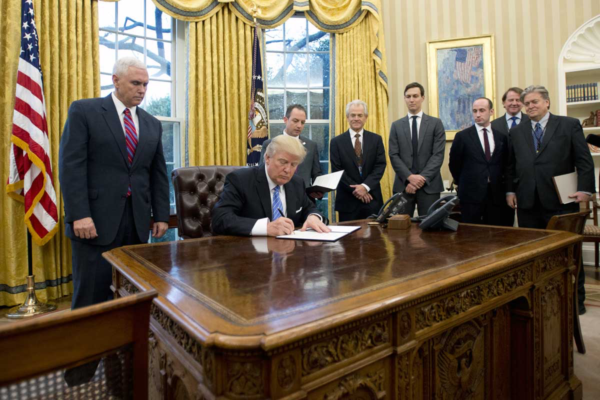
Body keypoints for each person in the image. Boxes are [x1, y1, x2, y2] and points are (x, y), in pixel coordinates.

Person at [59, 57, 170, 310]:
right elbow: (71, 167)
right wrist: (79, 215)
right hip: (94, 222)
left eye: (145, 84)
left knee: (133, 293)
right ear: (116, 81)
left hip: (137, 222)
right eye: (135, 83)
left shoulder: (152, 124)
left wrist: (161, 215)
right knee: (92, 295)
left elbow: (158, 173)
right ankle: (89, 348)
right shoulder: (84, 111)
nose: (142, 89)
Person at [506, 85, 594, 228]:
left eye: (535, 102)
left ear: (547, 102)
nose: (530, 106)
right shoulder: (516, 131)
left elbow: (584, 160)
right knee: (532, 246)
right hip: (527, 202)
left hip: (561, 199)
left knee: (561, 246)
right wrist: (510, 191)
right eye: (527, 104)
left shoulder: (569, 125)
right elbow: (511, 165)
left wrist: (585, 189)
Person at [212, 135, 330, 236]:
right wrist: (266, 228)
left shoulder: (296, 182)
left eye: (294, 164)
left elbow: (309, 208)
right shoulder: (241, 180)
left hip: (290, 254)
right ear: (267, 158)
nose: (288, 170)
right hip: (250, 254)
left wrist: (313, 217)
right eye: (283, 162)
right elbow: (220, 219)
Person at [449, 98, 511, 226]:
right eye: (475, 111)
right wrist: (464, 182)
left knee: (497, 234)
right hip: (470, 195)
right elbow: (454, 164)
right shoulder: (462, 136)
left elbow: (506, 164)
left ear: (491, 111)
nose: (478, 114)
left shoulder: (501, 137)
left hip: (496, 195)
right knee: (471, 234)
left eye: (482, 110)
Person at [389, 82, 446, 216]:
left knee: (429, 229)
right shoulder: (396, 126)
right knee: (401, 231)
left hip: (429, 187)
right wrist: (409, 177)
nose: (412, 100)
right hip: (403, 186)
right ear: (404, 98)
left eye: (415, 96)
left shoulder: (435, 123)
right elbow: (393, 155)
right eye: (408, 96)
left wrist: (420, 179)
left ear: (422, 98)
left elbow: (438, 155)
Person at [330, 100, 387, 222]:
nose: (356, 118)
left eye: (360, 115)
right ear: (347, 117)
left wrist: (365, 187)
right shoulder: (336, 142)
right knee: (347, 240)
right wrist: (358, 190)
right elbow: (337, 171)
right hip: (347, 201)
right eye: (353, 115)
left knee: (375, 239)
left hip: (371, 199)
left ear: (365, 117)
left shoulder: (376, 139)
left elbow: (380, 166)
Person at [260, 104, 323, 200]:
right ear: (285, 120)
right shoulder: (270, 144)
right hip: (276, 197)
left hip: (304, 199)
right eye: (295, 121)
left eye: (302, 122)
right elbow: (262, 172)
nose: (299, 126)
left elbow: (316, 173)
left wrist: (319, 190)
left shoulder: (311, 146)